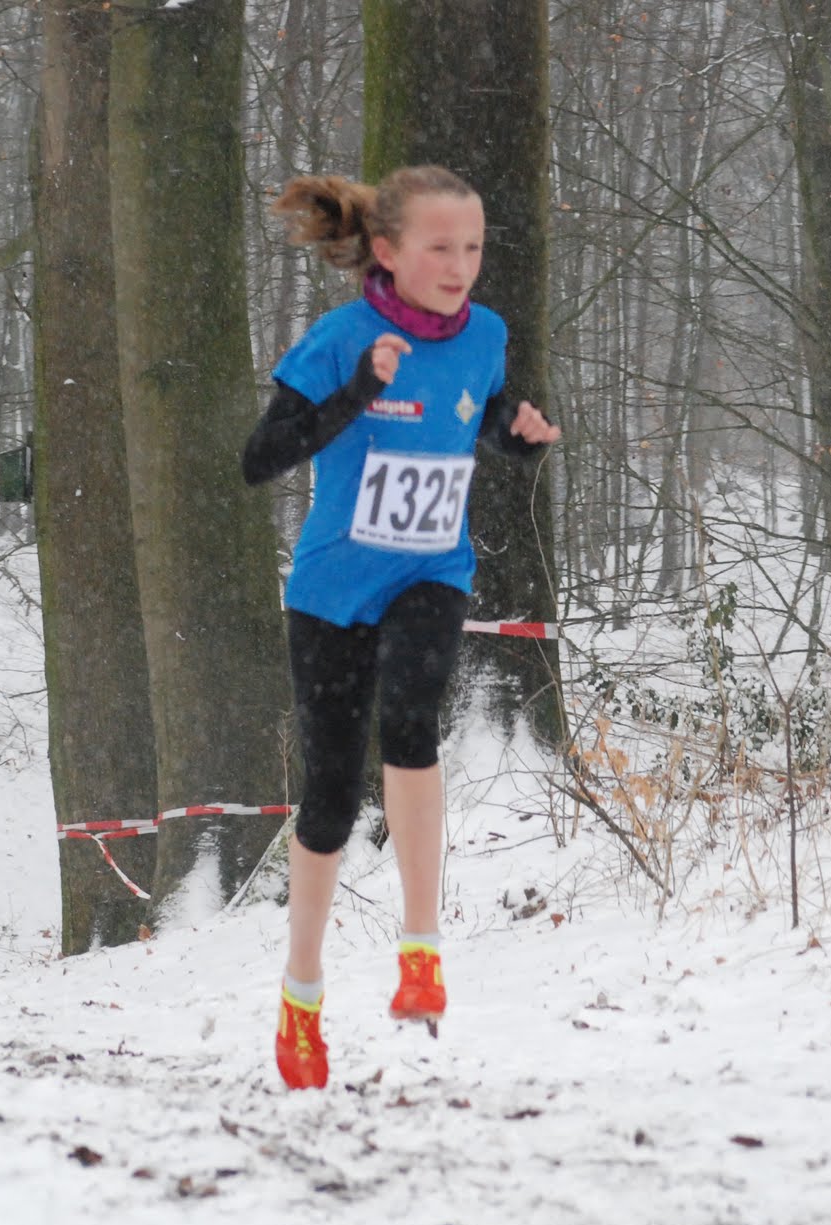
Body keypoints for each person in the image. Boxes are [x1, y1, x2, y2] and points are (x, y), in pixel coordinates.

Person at [242, 166, 560, 1089]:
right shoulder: (341, 338)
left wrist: (519, 434)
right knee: (332, 798)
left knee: (413, 721)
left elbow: (478, 418)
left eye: (474, 247)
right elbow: (261, 459)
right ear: (386, 251)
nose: (461, 266)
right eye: (440, 248)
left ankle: (421, 951)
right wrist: (353, 392)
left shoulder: (487, 334)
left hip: (431, 570)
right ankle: (302, 994)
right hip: (333, 590)